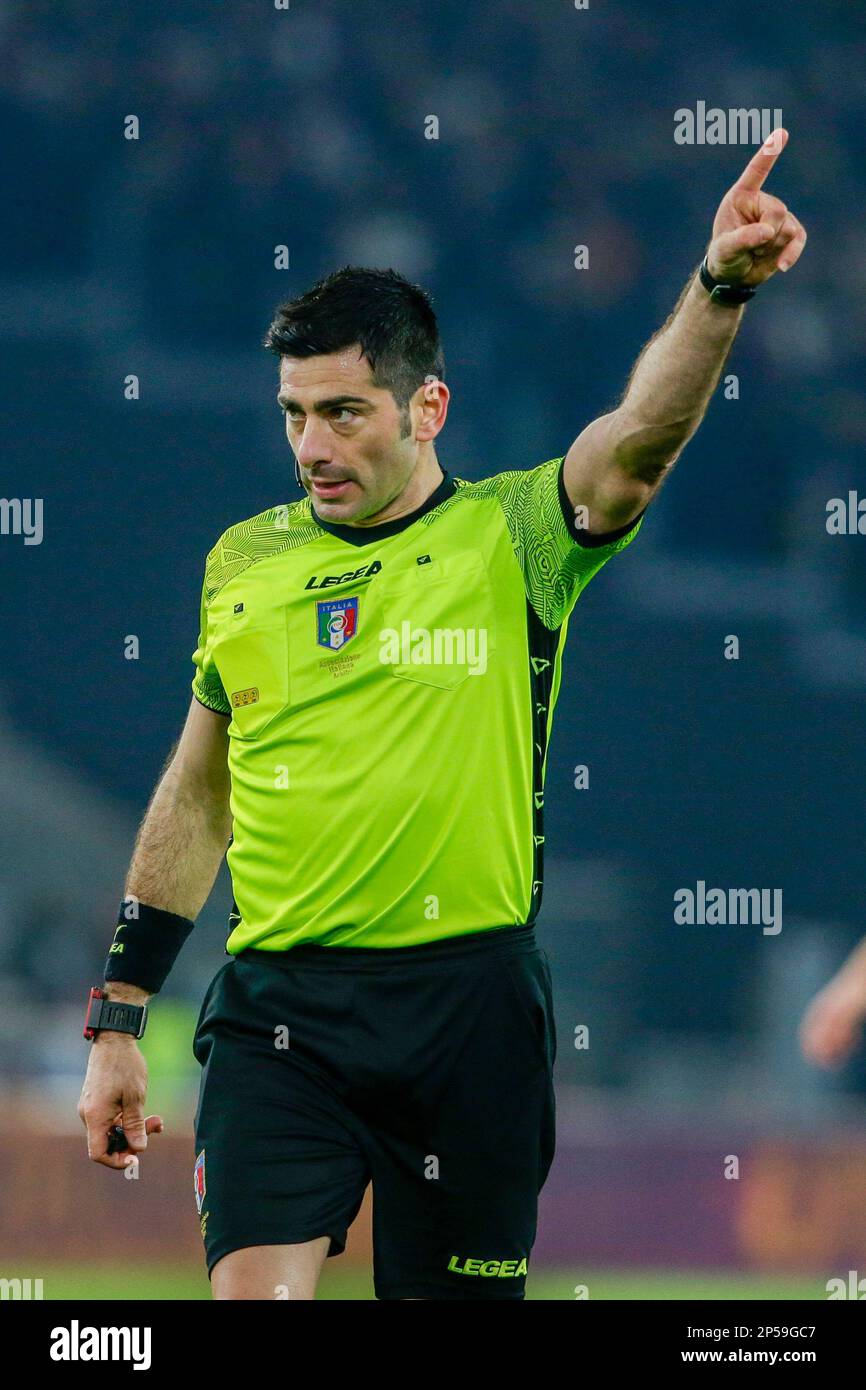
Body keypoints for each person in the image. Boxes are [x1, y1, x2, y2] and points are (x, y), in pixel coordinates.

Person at [78, 129, 807, 1300]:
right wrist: (118, 1016)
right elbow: (197, 788)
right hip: (282, 1016)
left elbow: (639, 439)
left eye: (346, 413)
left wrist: (717, 286)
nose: (313, 447)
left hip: (468, 1017)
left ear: (428, 406)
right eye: (293, 414)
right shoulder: (241, 563)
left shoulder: (513, 534)